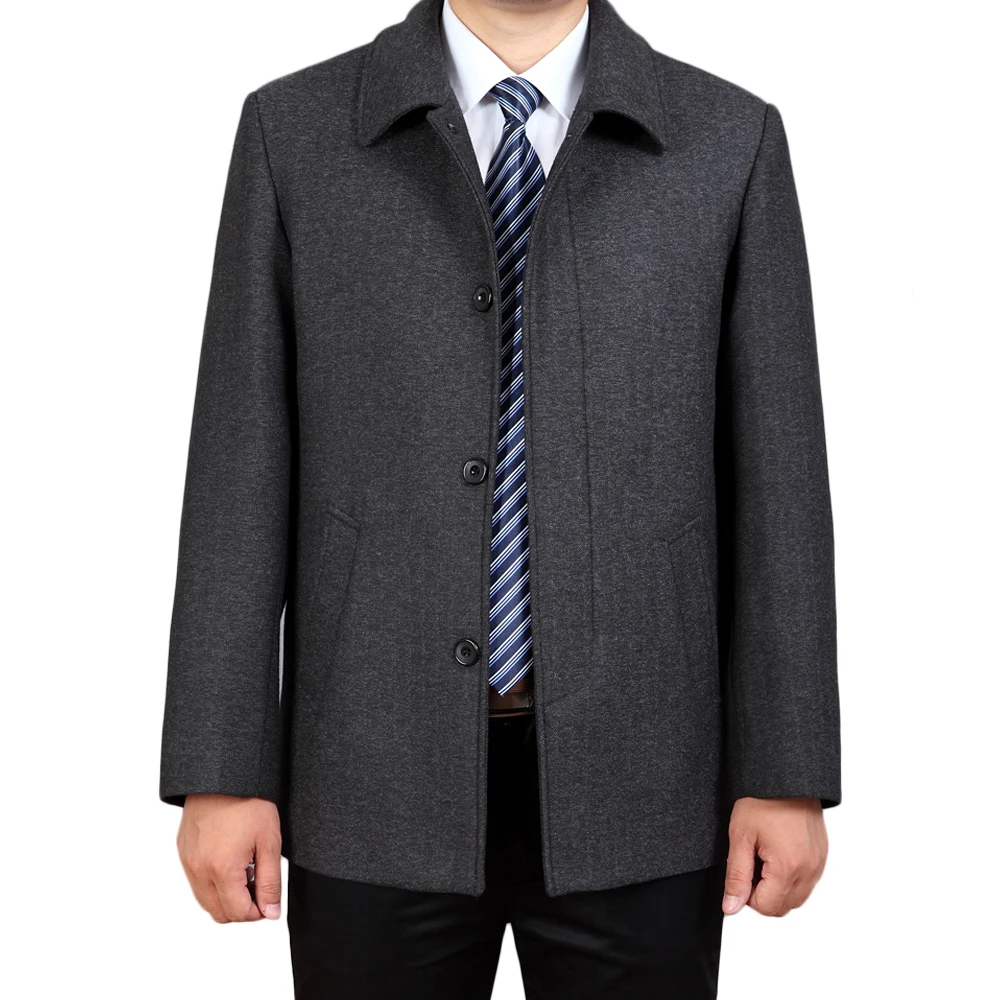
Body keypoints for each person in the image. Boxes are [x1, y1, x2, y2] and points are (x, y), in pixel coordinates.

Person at [159, 0, 841, 996]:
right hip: (371, 764)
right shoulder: (295, 132)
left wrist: (786, 766)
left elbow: (777, 481)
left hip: (646, 771)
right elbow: (238, 466)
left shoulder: (728, 139)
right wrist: (220, 768)